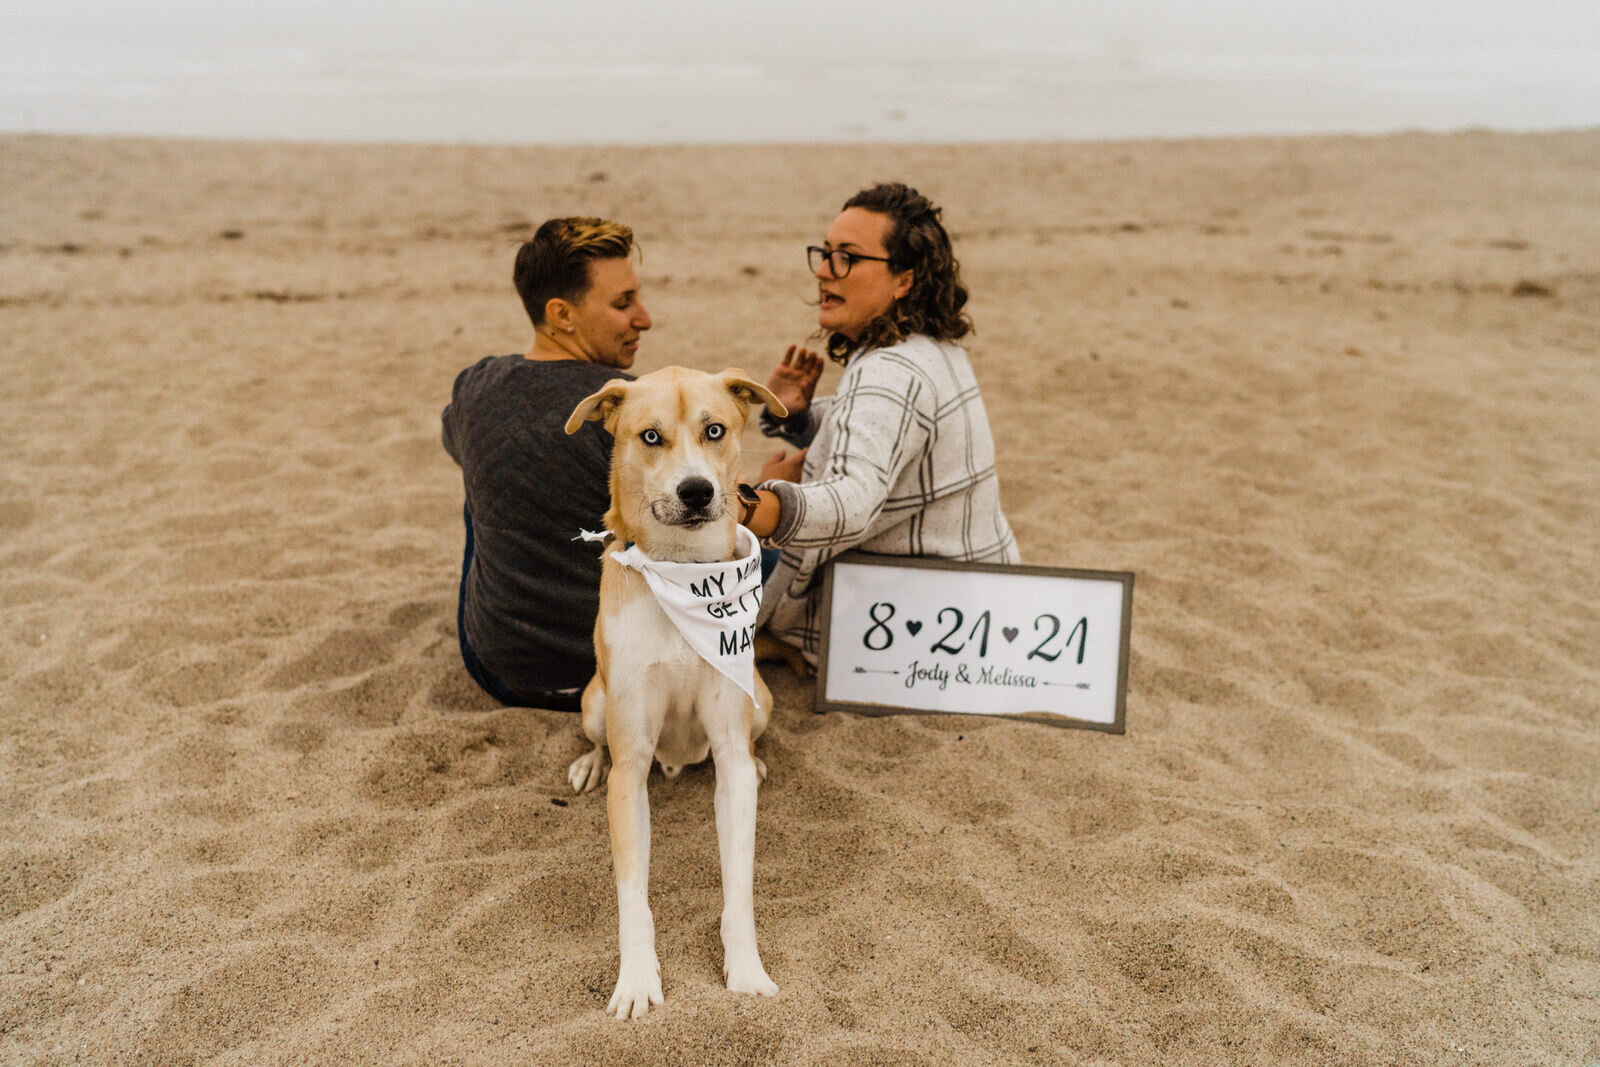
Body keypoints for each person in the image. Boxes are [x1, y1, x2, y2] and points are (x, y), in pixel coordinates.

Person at [741, 183, 1019, 663]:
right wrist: (803, 417)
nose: (825, 270)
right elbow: (885, 434)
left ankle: (776, 645)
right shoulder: (930, 348)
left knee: (689, 566)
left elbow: (853, 503)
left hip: (908, 616)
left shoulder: (887, 375)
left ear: (904, 280)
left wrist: (751, 505)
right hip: (976, 589)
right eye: (825, 253)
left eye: (847, 256)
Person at [441, 217, 651, 712]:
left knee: (488, 475)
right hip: (613, 680)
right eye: (624, 303)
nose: (644, 318)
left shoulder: (475, 385)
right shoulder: (627, 406)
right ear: (561, 314)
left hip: (498, 672)